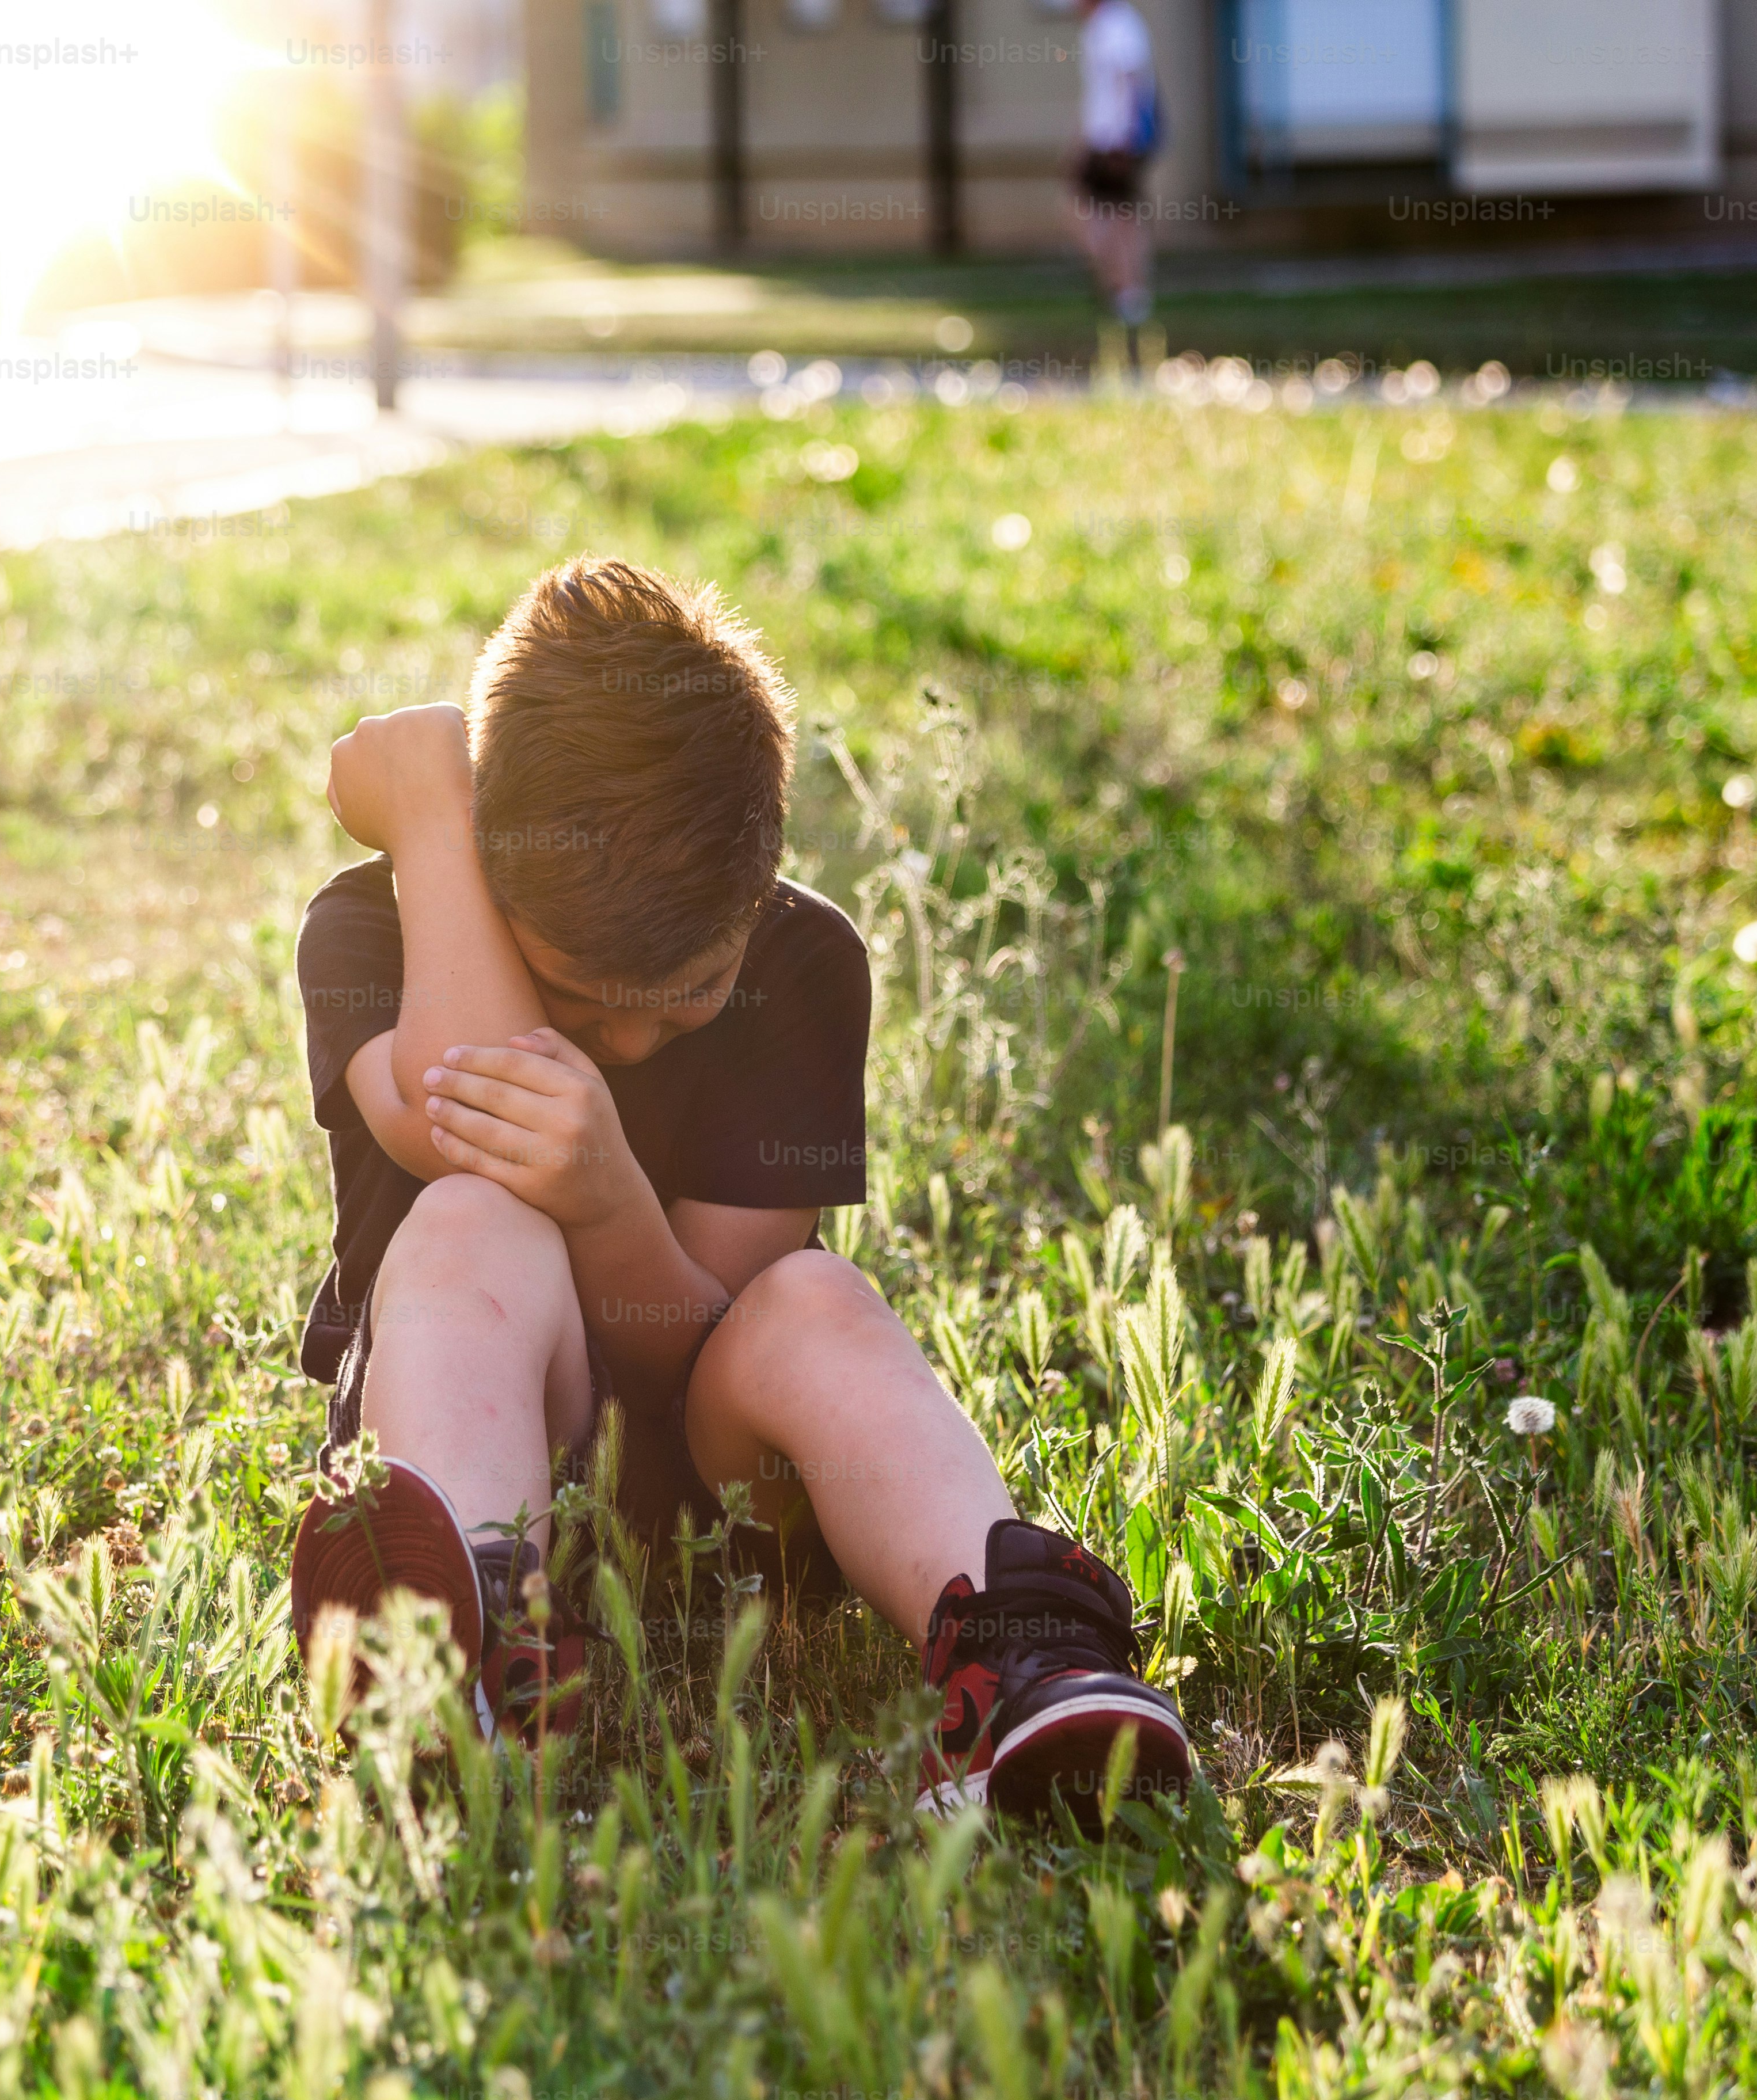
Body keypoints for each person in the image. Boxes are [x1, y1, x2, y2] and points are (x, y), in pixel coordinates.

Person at [286, 557, 1193, 1821]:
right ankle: (469, 1646)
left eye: (687, 997)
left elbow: (705, 1348)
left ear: (759, 886)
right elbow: (462, 1120)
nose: (628, 1041)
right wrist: (434, 819)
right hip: (467, 1443)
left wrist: (608, 1199)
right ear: (485, 855)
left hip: (717, 1503)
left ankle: (1023, 1652)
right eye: (576, 995)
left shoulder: (801, 961)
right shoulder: (372, 930)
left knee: (813, 1297)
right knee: (473, 1216)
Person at [1073, 0, 1159, 329]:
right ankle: (1118, 286)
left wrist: (1124, 137)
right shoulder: (1099, 26)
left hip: (1116, 140)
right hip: (1102, 138)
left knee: (1120, 214)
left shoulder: (1118, 23)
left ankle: (1129, 290)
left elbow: (1131, 81)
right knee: (1107, 212)